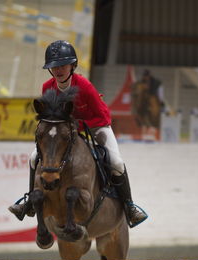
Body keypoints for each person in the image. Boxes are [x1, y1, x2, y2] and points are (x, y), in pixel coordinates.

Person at [8, 40, 147, 228]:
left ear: (73, 66)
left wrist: (76, 126)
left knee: (116, 162)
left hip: (97, 126)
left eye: (63, 65)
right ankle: (29, 202)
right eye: (54, 66)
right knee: (34, 158)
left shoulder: (84, 85)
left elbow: (103, 116)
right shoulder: (47, 87)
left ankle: (130, 207)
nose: (58, 70)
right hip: (65, 131)